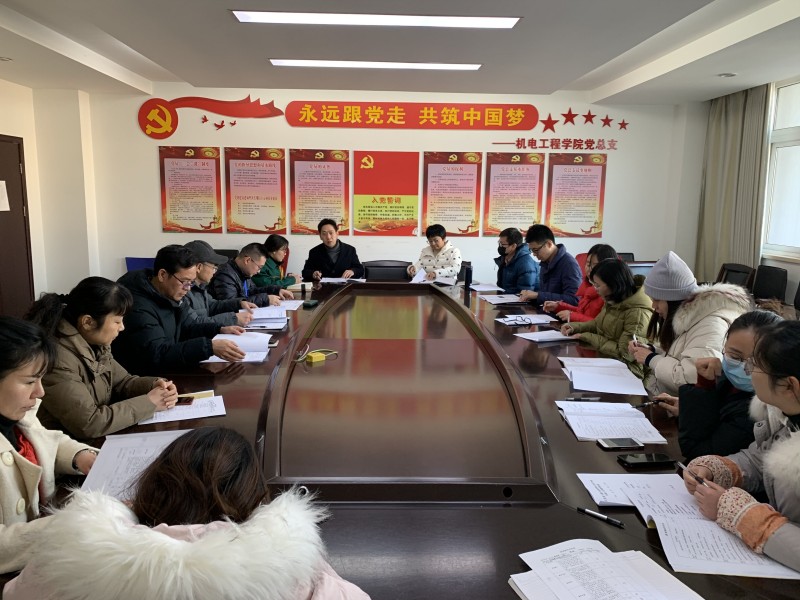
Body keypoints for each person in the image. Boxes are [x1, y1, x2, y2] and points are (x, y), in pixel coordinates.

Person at [4, 427, 371, 599]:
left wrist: (115, 516)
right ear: (252, 498)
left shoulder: (74, 555)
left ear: (153, 483)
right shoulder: (290, 564)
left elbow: (18, 593)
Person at [682, 321, 800, 574]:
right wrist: (718, 468)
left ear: (790, 386)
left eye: (755, 365)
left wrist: (740, 514)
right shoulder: (783, 415)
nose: (748, 371)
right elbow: (762, 458)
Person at [24, 277, 178, 441]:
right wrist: (149, 403)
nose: (122, 327)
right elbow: (89, 423)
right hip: (66, 447)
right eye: (117, 321)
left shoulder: (95, 344)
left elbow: (122, 382)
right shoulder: (57, 359)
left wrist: (154, 385)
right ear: (88, 322)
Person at [0, 316, 97, 574]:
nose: (40, 392)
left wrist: (80, 455)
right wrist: (71, 525)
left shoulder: (15, 414)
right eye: (29, 382)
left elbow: (43, 440)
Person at [655, 310, 783, 461]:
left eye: (756, 362)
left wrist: (703, 388)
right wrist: (689, 409)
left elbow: (698, 452)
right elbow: (715, 416)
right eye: (735, 357)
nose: (745, 368)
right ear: (724, 347)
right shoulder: (723, 379)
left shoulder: (762, 413)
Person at [629, 251, 752, 395]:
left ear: (673, 300)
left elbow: (692, 378)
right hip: (665, 396)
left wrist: (651, 359)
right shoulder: (689, 317)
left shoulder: (710, 326)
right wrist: (653, 350)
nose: (653, 306)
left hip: (679, 404)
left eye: (657, 300)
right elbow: (681, 353)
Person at [114, 245, 246, 374]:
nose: (188, 288)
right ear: (162, 275)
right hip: (146, 378)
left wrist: (219, 329)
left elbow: (188, 326)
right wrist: (208, 347)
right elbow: (157, 353)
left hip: (169, 370)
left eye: (191, 282)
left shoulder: (171, 294)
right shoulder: (137, 306)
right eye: (184, 281)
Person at [561, 259, 653, 377]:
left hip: (629, 372)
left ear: (614, 284)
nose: (595, 288)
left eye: (598, 285)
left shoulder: (637, 313)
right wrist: (574, 327)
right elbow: (597, 324)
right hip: (607, 361)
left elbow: (625, 353)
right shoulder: (613, 300)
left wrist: (588, 336)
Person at [183, 241, 257, 327]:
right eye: (213, 267)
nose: (214, 272)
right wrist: (233, 319)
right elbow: (194, 323)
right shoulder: (183, 290)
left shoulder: (201, 287)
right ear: (199, 267)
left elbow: (213, 305)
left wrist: (239, 303)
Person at [543, 244, 618, 322]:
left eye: (595, 265)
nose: (589, 269)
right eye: (588, 264)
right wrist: (558, 306)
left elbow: (601, 324)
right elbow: (581, 311)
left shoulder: (609, 292)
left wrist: (572, 316)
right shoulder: (587, 286)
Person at [210, 243, 293, 307]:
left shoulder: (243, 271)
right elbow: (231, 304)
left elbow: (252, 290)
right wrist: (265, 299)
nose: (259, 271)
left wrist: (276, 290)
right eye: (259, 267)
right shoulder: (225, 275)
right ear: (247, 260)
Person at [519, 224, 582, 306]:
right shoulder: (545, 262)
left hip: (560, 313)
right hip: (545, 310)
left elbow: (574, 300)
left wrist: (538, 295)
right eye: (532, 250)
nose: (534, 254)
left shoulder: (569, 264)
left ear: (549, 244)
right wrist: (531, 295)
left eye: (536, 250)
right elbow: (546, 294)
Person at [495, 227, 539, 295]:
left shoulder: (525, 264)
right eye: (499, 243)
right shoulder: (504, 259)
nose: (500, 246)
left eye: (503, 244)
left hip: (519, 300)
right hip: (505, 298)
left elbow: (525, 293)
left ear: (513, 246)